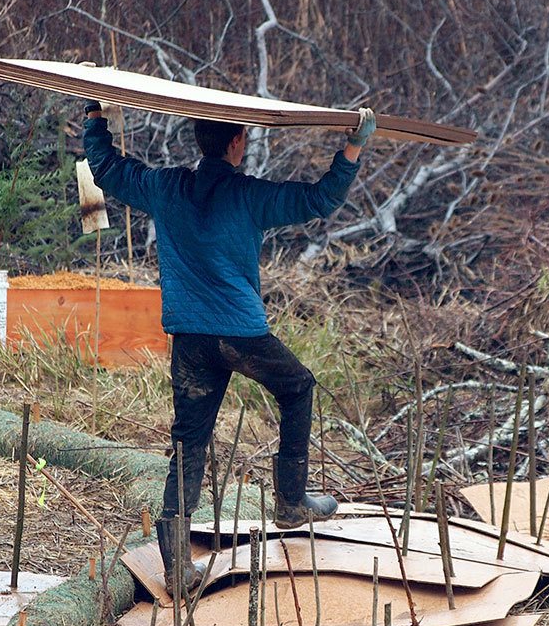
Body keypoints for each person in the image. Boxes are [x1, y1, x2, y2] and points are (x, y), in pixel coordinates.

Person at [83, 100, 377, 594]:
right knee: (298, 386)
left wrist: (95, 121)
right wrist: (352, 148)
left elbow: (107, 169)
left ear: (199, 140)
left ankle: (177, 567)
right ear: (237, 143)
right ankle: (290, 501)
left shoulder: (166, 187)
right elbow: (320, 200)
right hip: (240, 333)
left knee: (188, 439)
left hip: (190, 337)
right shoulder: (248, 195)